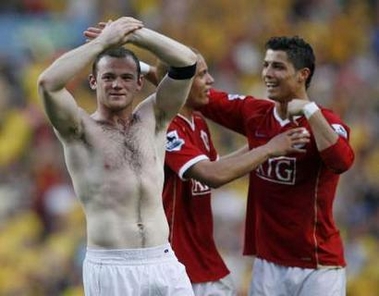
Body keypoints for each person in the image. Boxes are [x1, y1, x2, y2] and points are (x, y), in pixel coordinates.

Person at [37, 16, 198, 296]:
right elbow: (48, 83)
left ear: (139, 83)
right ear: (93, 82)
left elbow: (186, 63)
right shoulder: (79, 129)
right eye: (108, 77)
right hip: (112, 265)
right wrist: (103, 42)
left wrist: (136, 34)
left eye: (125, 78)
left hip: (162, 259)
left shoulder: (155, 118)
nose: (116, 85)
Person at [144, 50, 310, 295]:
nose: (211, 80)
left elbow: (221, 166)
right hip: (176, 269)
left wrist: (262, 142)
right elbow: (212, 174)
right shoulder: (165, 127)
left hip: (207, 265)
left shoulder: (198, 123)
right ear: (181, 83)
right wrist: (268, 149)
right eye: (202, 75)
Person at [198, 36, 355, 295]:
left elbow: (341, 161)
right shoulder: (255, 114)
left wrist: (310, 110)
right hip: (267, 263)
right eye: (266, 65)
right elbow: (200, 96)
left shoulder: (325, 121)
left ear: (302, 75)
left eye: (278, 67)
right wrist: (143, 70)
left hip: (317, 264)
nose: (267, 74)